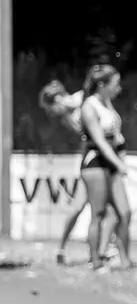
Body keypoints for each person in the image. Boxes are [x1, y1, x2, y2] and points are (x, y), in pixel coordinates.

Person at [39, 80, 119, 266]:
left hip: (94, 160)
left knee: (81, 206)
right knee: (102, 209)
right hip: (92, 161)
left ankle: (94, 250)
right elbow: (85, 135)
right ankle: (100, 251)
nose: (52, 114)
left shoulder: (83, 98)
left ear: (58, 99)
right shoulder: (67, 116)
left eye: (52, 109)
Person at [79, 65, 134, 272]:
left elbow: (116, 136)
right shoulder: (89, 106)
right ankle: (95, 260)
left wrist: (121, 157)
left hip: (111, 164)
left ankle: (124, 259)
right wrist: (119, 163)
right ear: (102, 85)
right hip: (95, 163)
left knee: (124, 212)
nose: (118, 88)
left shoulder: (107, 103)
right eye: (115, 84)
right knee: (99, 213)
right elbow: (100, 142)